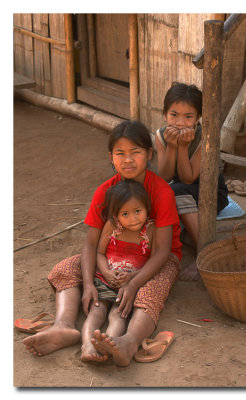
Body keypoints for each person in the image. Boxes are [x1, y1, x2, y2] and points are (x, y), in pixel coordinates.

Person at [23, 120, 182, 367]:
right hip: (110, 257)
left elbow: (162, 250)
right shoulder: (104, 191)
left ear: (149, 154)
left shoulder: (161, 192)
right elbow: (91, 245)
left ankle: (128, 342)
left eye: (136, 152)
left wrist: (135, 282)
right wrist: (88, 283)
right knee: (65, 268)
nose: (128, 160)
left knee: (152, 289)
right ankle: (63, 326)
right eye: (120, 153)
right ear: (111, 157)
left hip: (154, 260)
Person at [155, 82, 228, 281]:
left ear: (197, 119)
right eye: (174, 115)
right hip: (183, 190)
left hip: (211, 194)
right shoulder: (161, 136)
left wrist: (182, 147)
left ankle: (203, 255)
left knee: (176, 192)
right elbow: (165, 176)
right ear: (164, 115)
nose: (180, 122)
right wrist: (171, 146)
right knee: (163, 191)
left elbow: (188, 178)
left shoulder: (205, 138)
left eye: (188, 117)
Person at [83, 179, 155, 362]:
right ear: (116, 216)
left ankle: (110, 344)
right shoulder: (112, 227)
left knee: (118, 314)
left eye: (138, 211)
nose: (134, 218)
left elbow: (152, 262)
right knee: (96, 311)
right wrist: (106, 272)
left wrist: (132, 277)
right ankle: (88, 346)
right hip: (106, 278)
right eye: (125, 214)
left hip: (129, 285)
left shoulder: (151, 230)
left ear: (147, 207)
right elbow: (99, 253)